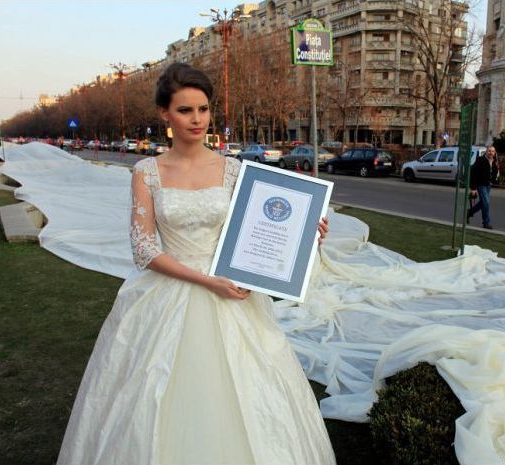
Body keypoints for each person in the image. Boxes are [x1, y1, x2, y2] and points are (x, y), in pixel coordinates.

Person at [57, 63, 336, 465]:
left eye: (203, 109)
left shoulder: (234, 170)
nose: (197, 119)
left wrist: (305, 231)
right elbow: (144, 249)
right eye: (185, 110)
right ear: (164, 115)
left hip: (233, 297)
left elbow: (257, 232)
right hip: (169, 294)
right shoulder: (146, 172)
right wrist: (208, 281)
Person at [467, 145, 499, 230]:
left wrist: (494, 179)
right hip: (481, 185)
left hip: (488, 185)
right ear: (486, 152)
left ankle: (469, 212)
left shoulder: (495, 161)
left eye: (492, 151)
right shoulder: (480, 160)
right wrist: (473, 188)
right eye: (489, 151)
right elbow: (473, 173)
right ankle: (486, 223)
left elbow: (495, 172)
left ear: (494, 152)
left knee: (483, 203)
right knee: (486, 203)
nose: (491, 153)